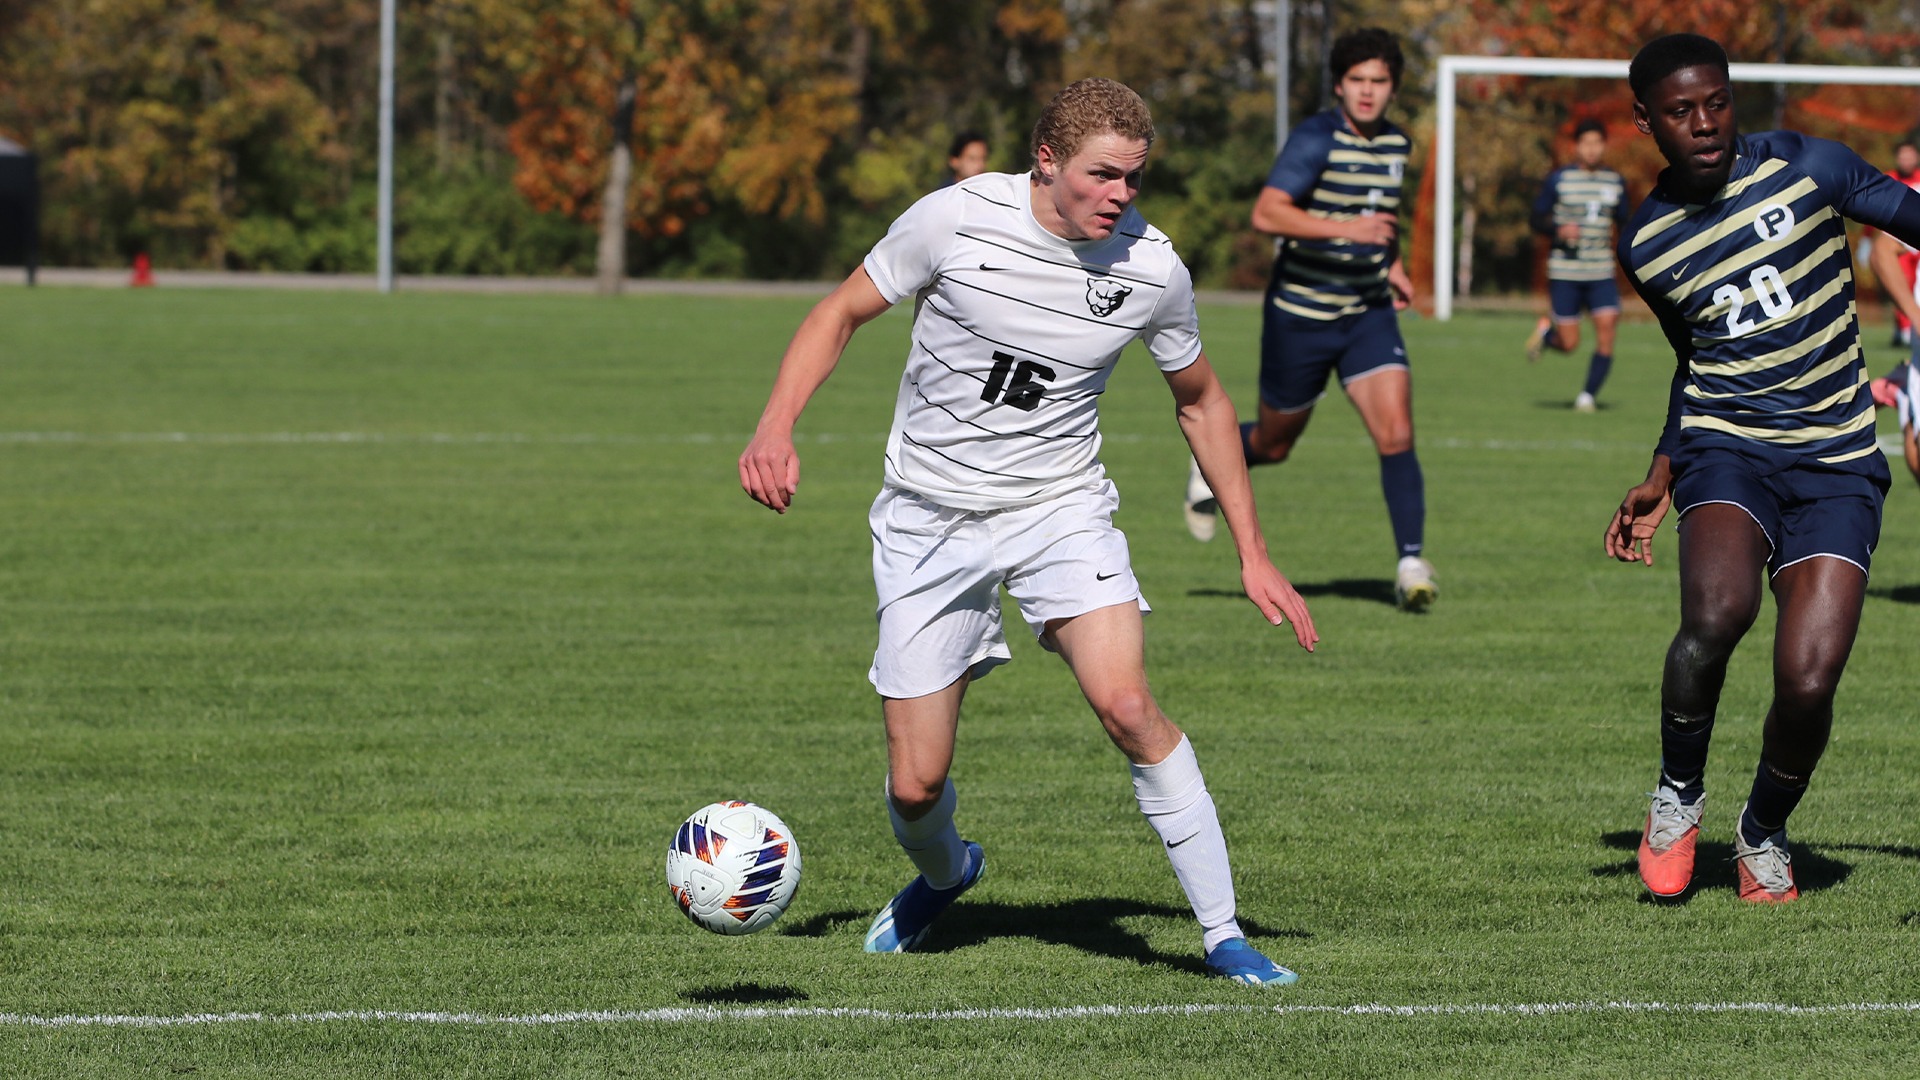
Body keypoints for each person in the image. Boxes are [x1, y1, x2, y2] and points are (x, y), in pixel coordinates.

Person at [740, 78, 1319, 984]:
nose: (1121, 195)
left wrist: (1254, 551)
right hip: (929, 517)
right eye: (1103, 175)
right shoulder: (954, 219)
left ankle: (1223, 936)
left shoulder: (1152, 267)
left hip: (1060, 510)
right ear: (1046, 161)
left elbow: (1202, 400)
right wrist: (776, 426)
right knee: (916, 785)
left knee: (1128, 706)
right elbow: (838, 312)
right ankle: (948, 873)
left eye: (1134, 178)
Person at [1605, 33, 1920, 903]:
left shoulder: (1811, 167)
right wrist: (1664, 470)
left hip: (1839, 460)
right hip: (1728, 447)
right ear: (1647, 122)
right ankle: (1678, 794)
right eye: (1680, 111)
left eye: (1716, 102)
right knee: (1717, 613)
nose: (1704, 123)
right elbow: (1694, 360)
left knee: (1809, 680)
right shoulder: (1647, 242)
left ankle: (1763, 831)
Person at [1181, 27, 1436, 612]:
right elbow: (1268, 213)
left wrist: (1394, 265)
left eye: (1379, 81)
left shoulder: (1397, 144)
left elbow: (1382, 216)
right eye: (1357, 80)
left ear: (1393, 87)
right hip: (1300, 316)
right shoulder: (1316, 138)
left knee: (1397, 432)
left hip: (1367, 312)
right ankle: (1214, 453)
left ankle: (1410, 563)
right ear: (1339, 86)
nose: (1368, 91)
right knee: (1274, 445)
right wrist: (1346, 229)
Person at [1524, 118, 1631, 412]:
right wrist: (1558, 229)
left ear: (1604, 146)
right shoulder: (1559, 180)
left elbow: (1625, 224)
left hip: (1601, 271)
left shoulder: (1615, 182)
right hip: (1565, 272)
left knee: (1607, 331)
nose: (1592, 149)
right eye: (1586, 143)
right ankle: (1547, 336)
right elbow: (1536, 219)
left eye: (1597, 143)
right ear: (1576, 146)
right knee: (1569, 343)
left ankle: (1587, 397)